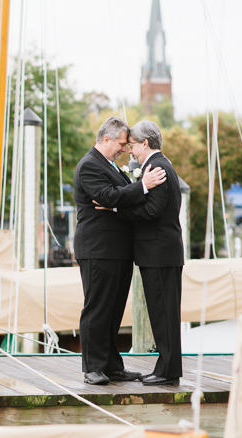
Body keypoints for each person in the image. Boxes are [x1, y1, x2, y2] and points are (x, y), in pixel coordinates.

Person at [73, 116, 167, 385]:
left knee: (114, 311)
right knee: (97, 308)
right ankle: (92, 368)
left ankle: (112, 366)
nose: (125, 149)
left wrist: (124, 194)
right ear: (106, 139)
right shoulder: (90, 165)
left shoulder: (110, 165)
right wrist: (143, 185)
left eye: (126, 145)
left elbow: (117, 197)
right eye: (122, 144)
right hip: (98, 248)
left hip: (117, 250)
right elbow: (108, 197)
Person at [109, 120, 184, 386]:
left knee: (164, 313)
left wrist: (117, 210)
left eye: (132, 145)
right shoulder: (161, 165)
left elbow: (152, 211)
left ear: (145, 143)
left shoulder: (157, 167)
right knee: (163, 313)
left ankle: (167, 371)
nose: (130, 151)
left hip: (160, 252)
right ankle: (166, 367)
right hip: (161, 251)